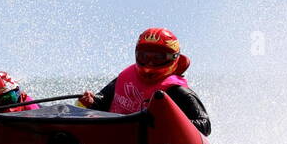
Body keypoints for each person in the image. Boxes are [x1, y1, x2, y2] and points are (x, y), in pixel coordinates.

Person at [78, 28, 210, 135]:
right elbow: (100, 104)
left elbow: (205, 125)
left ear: (174, 58)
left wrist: (168, 123)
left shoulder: (177, 91)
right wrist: (89, 102)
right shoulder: (125, 78)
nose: (150, 64)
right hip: (114, 142)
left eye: (158, 58)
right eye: (144, 57)